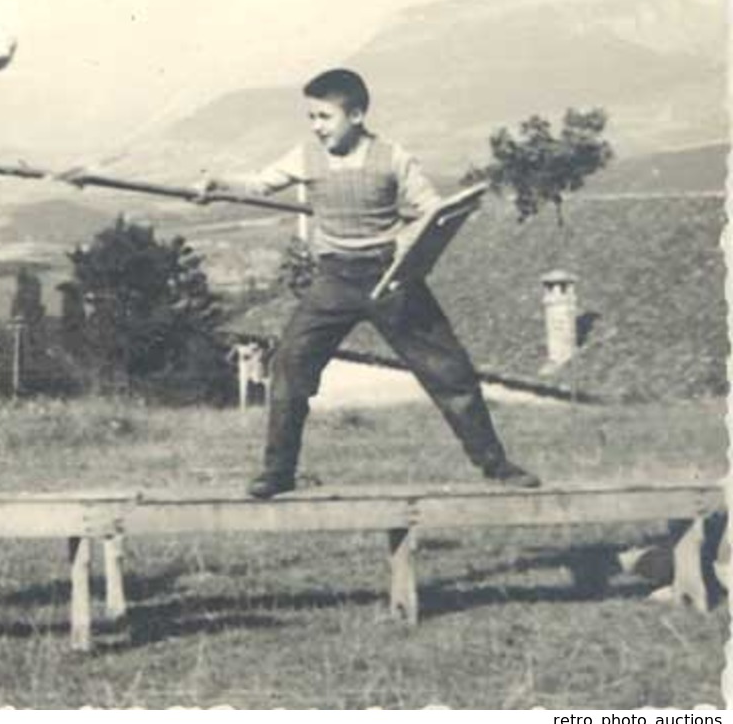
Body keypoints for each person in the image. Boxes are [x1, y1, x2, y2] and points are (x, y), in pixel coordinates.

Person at [192, 68, 540, 499]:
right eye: (312, 118)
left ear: (356, 115)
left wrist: (412, 241)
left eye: (325, 117)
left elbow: (434, 211)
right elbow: (258, 182)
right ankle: (278, 472)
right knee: (289, 365)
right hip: (334, 280)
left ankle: (496, 465)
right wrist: (217, 183)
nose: (317, 128)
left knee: (450, 372)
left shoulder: (394, 157)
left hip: (390, 281)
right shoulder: (305, 157)